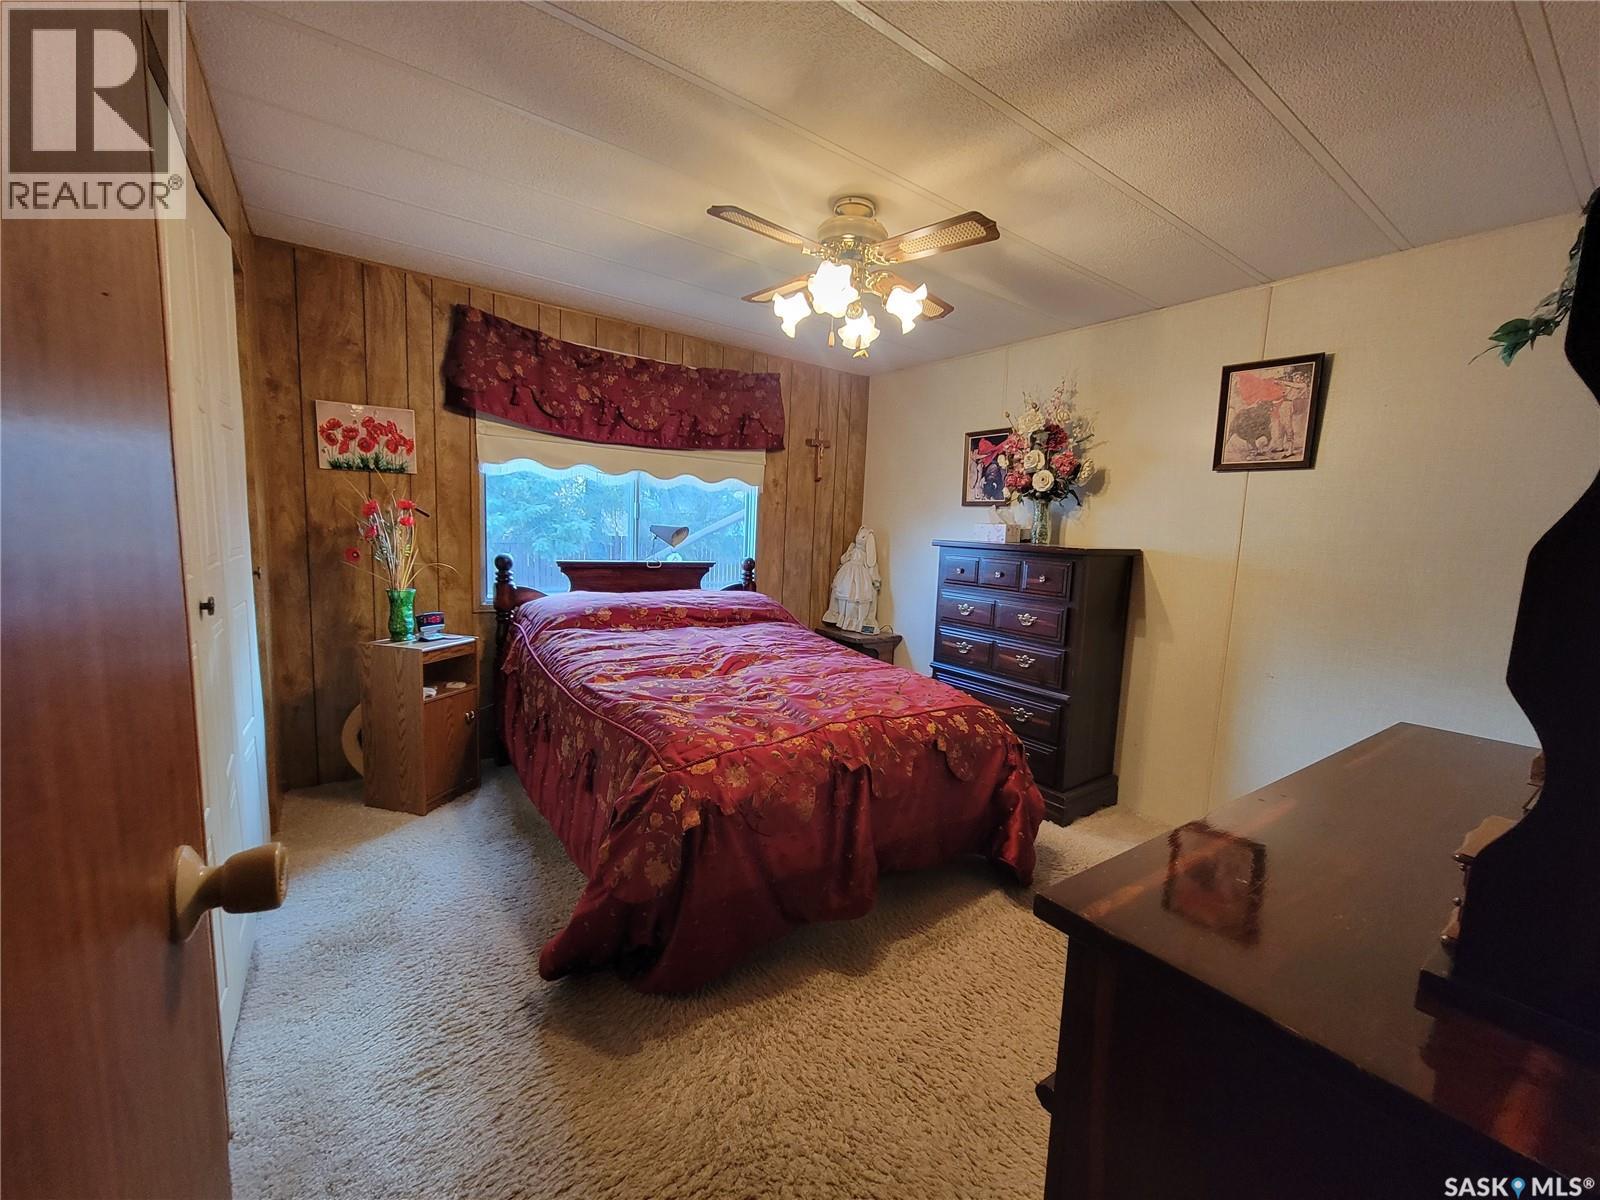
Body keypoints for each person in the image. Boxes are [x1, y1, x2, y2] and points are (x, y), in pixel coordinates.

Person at [822, 527, 881, 633]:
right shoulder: (853, 549)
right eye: (858, 535)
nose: (858, 538)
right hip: (847, 574)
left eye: (862, 537)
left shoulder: (865, 554)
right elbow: (843, 559)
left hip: (860, 577)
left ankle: (855, 622)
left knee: (856, 596)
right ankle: (842, 619)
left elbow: (871, 565)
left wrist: (875, 579)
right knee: (844, 592)